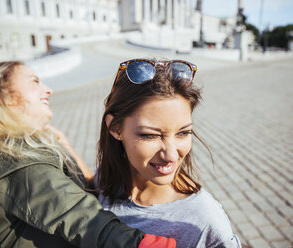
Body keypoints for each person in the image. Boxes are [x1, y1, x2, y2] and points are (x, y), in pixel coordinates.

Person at [0, 61, 176, 248]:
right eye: (35, 82)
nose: (48, 90)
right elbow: (81, 216)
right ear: (5, 98)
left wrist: (64, 144)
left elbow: (89, 189)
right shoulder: (16, 160)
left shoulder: (30, 147)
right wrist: (145, 244)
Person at [97, 59, 242, 248]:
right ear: (115, 128)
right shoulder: (108, 178)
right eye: (150, 135)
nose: (172, 156)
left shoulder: (203, 221)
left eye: (183, 133)